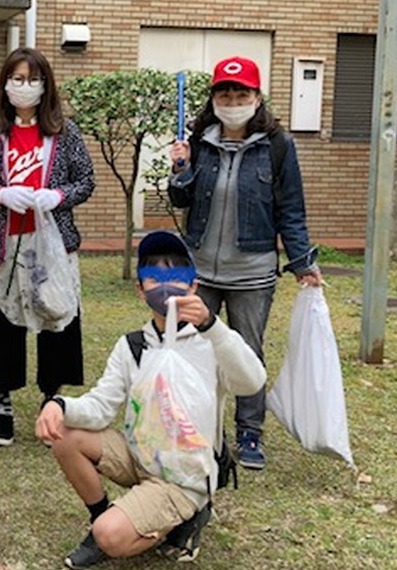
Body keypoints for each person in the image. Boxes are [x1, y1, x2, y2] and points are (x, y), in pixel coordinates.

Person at [35, 230, 266, 568]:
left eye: (176, 276)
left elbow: (252, 382)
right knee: (65, 438)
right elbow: (101, 406)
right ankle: (102, 516)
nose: (165, 286)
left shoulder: (211, 342)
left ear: (193, 285)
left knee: (111, 535)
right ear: (140, 289)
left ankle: (185, 519)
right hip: (140, 454)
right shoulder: (132, 346)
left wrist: (212, 326)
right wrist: (59, 405)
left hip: (185, 475)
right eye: (154, 278)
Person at [168, 56, 322, 470]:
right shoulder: (200, 142)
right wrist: (179, 169)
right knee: (191, 346)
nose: (233, 102)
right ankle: (194, 425)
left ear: (257, 98)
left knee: (246, 352)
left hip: (252, 272)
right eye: (225, 94)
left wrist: (302, 261)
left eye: (241, 94)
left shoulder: (277, 146)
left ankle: (250, 431)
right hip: (200, 268)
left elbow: (291, 209)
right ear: (213, 99)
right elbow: (181, 200)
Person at [0, 48, 95, 447]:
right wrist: (0, 194)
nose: (25, 86)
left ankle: (51, 402)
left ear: (45, 85)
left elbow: (85, 180)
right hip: (4, 244)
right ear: (5, 84)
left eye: (33, 79)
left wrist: (58, 196)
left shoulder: (65, 132)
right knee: (1, 324)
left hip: (52, 245)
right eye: (17, 78)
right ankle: (3, 406)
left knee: (56, 317)